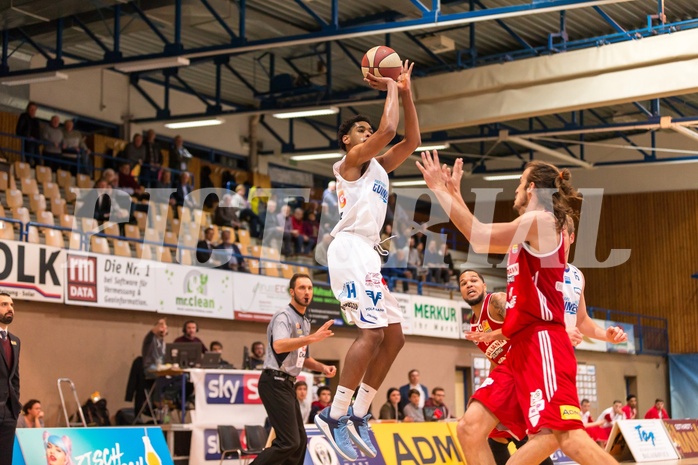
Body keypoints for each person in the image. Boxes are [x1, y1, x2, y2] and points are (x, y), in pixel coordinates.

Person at [418, 152, 619, 465]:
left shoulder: (540, 221)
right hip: (518, 350)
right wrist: (454, 193)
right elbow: (479, 232)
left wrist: (440, 192)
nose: (515, 189)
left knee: (569, 438)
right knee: (470, 428)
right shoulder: (528, 226)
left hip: (541, 342)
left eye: (520, 182)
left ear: (531, 189)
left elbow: (479, 237)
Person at [316, 59, 420, 462]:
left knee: (394, 337)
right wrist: (391, 86)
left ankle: (359, 414)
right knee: (371, 335)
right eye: (360, 130)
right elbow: (389, 130)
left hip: (368, 255)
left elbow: (410, 139)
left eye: (366, 128)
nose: (368, 133)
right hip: (349, 249)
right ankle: (334, 414)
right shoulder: (352, 162)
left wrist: (407, 91)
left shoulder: (378, 168)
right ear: (347, 140)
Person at [458, 269, 553, 465]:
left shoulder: (496, 302)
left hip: (527, 370)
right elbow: (494, 360)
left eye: (473, 280)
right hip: (507, 377)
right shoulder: (474, 325)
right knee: (496, 436)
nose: (468, 284)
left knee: (528, 438)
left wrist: (493, 335)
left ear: (484, 286)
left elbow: (525, 325)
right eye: (463, 283)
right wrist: (488, 387)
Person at [251, 274, 336, 465]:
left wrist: (322, 367)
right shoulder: (284, 316)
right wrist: (312, 338)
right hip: (274, 382)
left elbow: (303, 357)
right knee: (288, 442)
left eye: (309, 288)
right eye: (302, 288)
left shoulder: (304, 321)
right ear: (292, 292)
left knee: (299, 442)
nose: (307, 292)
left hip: (288, 385)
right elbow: (280, 345)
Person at [0, 292, 21, 465]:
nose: (10, 309)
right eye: (4, 304)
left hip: (9, 412)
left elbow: (15, 377)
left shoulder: (15, 341)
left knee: (6, 459)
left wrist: (15, 405)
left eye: (12, 305)